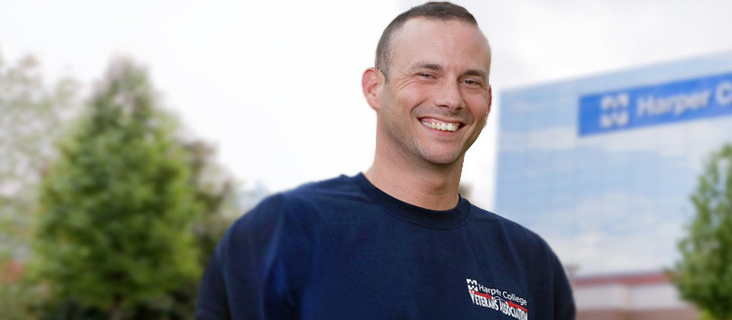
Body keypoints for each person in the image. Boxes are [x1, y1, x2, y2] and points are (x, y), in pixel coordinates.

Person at [195, 2, 576, 319]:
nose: (451, 99)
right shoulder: (287, 229)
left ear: (488, 102)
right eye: (427, 74)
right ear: (374, 88)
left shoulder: (531, 263)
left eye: (471, 81)